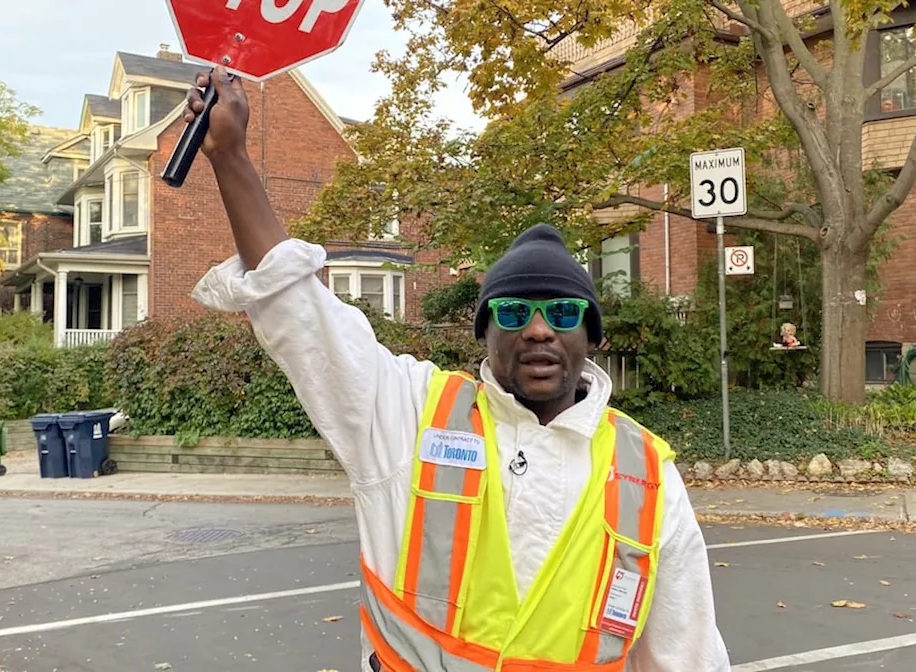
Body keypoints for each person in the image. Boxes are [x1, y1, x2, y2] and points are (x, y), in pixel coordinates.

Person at [184, 67, 730, 672]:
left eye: (563, 312)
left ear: (592, 338)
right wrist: (230, 157)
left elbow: (688, 654)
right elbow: (301, 313)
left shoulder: (649, 476)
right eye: (514, 310)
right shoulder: (407, 412)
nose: (539, 328)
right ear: (485, 332)